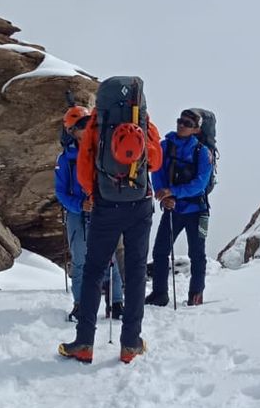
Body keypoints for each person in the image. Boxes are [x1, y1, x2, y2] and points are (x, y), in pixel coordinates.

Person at [58, 80, 162, 364]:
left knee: (93, 271)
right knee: (136, 271)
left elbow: (82, 170)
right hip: (140, 206)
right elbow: (155, 162)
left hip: (105, 207)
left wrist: (97, 193)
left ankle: (84, 343)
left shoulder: (96, 124)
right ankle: (130, 344)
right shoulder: (144, 122)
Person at [55, 106, 124, 322]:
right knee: (80, 261)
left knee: (110, 257)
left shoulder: (102, 151)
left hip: (102, 210)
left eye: (88, 123)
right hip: (78, 214)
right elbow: (61, 192)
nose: (87, 128)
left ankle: (116, 302)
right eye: (82, 125)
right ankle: (81, 304)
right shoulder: (66, 159)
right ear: (72, 131)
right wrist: (79, 205)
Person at [147, 108, 213, 307]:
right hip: (175, 208)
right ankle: (160, 294)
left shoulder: (202, 152)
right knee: (160, 251)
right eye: (180, 121)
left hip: (196, 209)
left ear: (196, 130)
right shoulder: (164, 146)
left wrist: (171, 193)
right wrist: (163, 194)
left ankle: (196, 295)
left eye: (187, 124)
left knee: (197, 254)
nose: (181, 125)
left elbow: (201, 183)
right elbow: (156, 172)